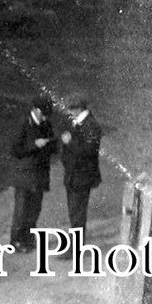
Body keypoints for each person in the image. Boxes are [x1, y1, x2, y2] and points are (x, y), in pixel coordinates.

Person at [10, 96, 58, 252]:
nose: (45, 117)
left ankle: (29, 238)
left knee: (35, 209)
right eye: (43, 114)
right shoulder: (23, 124)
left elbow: (53, 146)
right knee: (22, 210)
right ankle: (16, 241)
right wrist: (34, 145)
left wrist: (51, 144)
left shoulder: (46, 124)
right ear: (36, 110)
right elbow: (16, 150)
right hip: (25, 175)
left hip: (40, 175)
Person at [59, 96, 103, 242]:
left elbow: (88, 151)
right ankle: (75, 243)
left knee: (78, 213)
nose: (69, 112)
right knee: (74, 212)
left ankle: (75, 246)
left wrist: (69, 142)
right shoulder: (77, 122)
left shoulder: (91, 125)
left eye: (70, 109)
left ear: (78, 108)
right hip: (73, 175)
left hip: (82, 177)